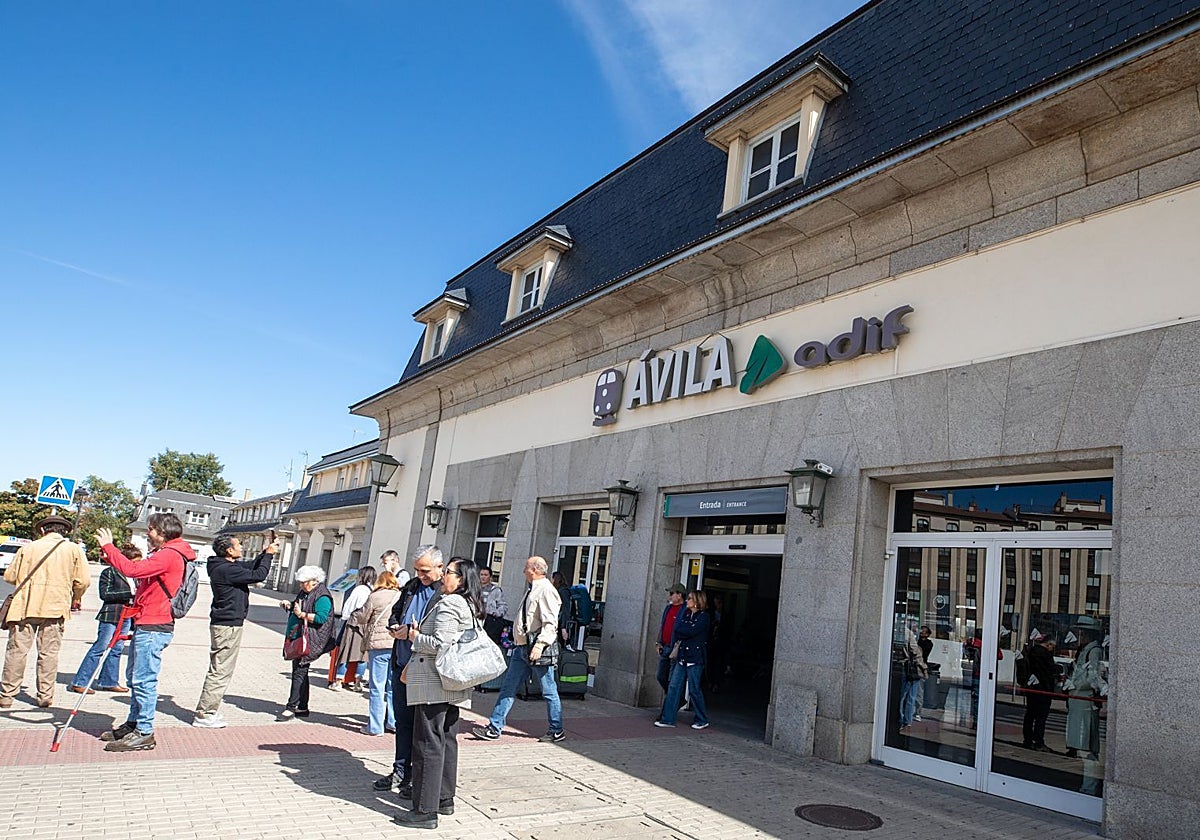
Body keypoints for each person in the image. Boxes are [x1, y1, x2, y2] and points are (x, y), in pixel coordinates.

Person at [395, 557, 483, 830]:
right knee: (446, 740)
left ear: (461, 579)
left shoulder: (450, 603)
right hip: (451, 684)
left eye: (448, 572)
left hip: (434, 682)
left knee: (427, 743)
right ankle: (443, 798)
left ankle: (425, 809)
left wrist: (413, 636)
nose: (443, 575)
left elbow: (441, 644)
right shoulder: (467, 603)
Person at [95, 514, 193, 751]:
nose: (148, 534)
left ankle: (145, 732)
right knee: (135, 678)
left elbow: (132, 569)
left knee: (144, 679)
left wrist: (109, 547)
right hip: (146, 621)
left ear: (162, 532)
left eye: (150, 529)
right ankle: (134, 723)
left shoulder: (170, 554)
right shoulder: (167, 552)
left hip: (154, 626)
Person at [372, 546, 444, 798]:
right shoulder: (412, 586)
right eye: (417, 570)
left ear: (439, 567)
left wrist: (415, 634)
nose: (420, 575)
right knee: (402, 722)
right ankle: (401, 770)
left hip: (425, 669)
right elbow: (395, 611)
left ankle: (421, 777)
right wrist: (394, 626)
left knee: (422, 728)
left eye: (425, 571)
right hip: (402, 663)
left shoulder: (445, 592)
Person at [470, 555, 564, 743]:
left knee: (549, 690)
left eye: (526, 568)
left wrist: (539, 645)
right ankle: (494, 727)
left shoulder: (546, 590)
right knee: (508, 687)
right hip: (522, 648)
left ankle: (556, 729)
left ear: (535, 570)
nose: (524, 571)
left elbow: (550, 623)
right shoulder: (533, 589)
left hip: (536, 649)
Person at [0, 514, 90, 709]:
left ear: (43, 530)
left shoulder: (28, 548)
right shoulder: (73, 550)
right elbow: (83, 581)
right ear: (65, 532)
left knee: (16, 652)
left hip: (24, 606)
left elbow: (9, 576)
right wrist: (75, 597)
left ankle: (6, 695)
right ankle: (45, 696)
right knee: (48, 654)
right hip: (55, 607)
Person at [192, 534, 277, 728]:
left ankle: (208, 711)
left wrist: (265, 552)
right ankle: (205, 714)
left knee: (220, 668)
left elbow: (250, 566)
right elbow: (258, 575)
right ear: (229, 551)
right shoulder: (225, 569)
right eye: (238, 545)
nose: (241, 548)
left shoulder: (222, 565)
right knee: (220, 670)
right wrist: (270, 556)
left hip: (227, 623)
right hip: (227, 625)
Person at [69, 543, 137, 695]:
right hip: (110, 614)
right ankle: (80, 681)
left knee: (117, 649)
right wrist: (129, 593)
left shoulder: (134, 576)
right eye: (134, 562)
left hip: (125, 616)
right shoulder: (110, 572)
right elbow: (105, 594)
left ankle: (108, 681)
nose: (136, 565)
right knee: (100, 647)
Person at [278, 565, 335, 720]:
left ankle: (291, 707)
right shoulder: (305, 592)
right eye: (300, 582)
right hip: (299, 637)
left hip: (312, 639)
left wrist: (301, 614)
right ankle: (302, 707)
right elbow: (299, 604)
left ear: (314, 581)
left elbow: (321, 618)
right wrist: (290, 605)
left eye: (304, 582)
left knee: (299, 672)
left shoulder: (322, 596)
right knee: (301, 671)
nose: (301, 585)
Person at [654, 589, 711, 730]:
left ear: (697, 601)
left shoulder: (703, 617)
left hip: (695, 658)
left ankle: (702, 718)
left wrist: (686, 631)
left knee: (694, 689)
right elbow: (678, 629)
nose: (687, 601)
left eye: (690, 598)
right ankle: (668, 719)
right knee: (673, 686)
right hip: (682, 657)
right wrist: (685, 631)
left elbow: (691, 631)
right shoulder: (685, 614)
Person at [362, 571, 402, 735]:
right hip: (396, 643)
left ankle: (375, 726)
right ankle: (392, 722)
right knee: (393, 686)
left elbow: (364, 617)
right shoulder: (400, 595)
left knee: (376, 687)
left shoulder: (375, 596)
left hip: (378, 646)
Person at [332, 565, 376, 690]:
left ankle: (339, 681)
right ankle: (358, 682)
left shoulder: (360, 589)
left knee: (346, 651)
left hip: (354, 624)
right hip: (366, 625)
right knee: (362, 655)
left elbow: (349, 606)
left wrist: (344, 618)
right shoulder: (373, 590)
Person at [1021, 634, 1060, 750]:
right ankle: (1038, 741)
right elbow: (1048, 671)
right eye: (1053, 646)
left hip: (1032, 689)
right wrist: (1057, 670)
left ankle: (1027, 739)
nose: (1053, 649)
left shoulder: (1031, 652)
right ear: (1049, 644)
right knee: (1041, 718)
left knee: (1030, 715)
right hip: (1043, 690)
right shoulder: (1045, 655)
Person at [655, 583, 687, 695]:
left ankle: (670, 704)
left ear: (679, 595)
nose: (670, 596)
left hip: (675, 649)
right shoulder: (668, 608)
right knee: (660, 676)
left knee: (673, 680)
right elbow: (662, 625)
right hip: (665, 647)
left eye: (672, 594)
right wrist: (658, 643)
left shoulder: (685, 610)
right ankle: (673, 698)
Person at [898, 620, 927, 732]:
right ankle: (907, 720)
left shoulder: (898, 632)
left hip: (903, 666)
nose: (917, 627)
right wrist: (924, 668)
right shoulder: (908, 634)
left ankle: (902, 719)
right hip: (911, 669)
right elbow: (915, 651)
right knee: (910, 696)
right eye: (914, 624)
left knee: (902, 696)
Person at [479, 565, 508, 645]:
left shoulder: (495, 590)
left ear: (490, 577)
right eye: (481, 575)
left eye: (485, 575)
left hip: (489, 620)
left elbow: (503, 605)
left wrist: (497, 613)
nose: (483, 577)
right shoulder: (475, 588)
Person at [915, 625, 933, 719]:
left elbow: (923, 652)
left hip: (921, 668)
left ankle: (918, 712)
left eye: (924, 631)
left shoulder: (928, 644)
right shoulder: (917, 641)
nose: (922, 632)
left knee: (919, 691)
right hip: (916, 667)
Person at [551, 570, 572, 643]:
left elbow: (565, 609)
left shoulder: (563, 591)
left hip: (561, 623)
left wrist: (563, 627)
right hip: (559, 623)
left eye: (552, 579)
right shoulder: (562, 590)